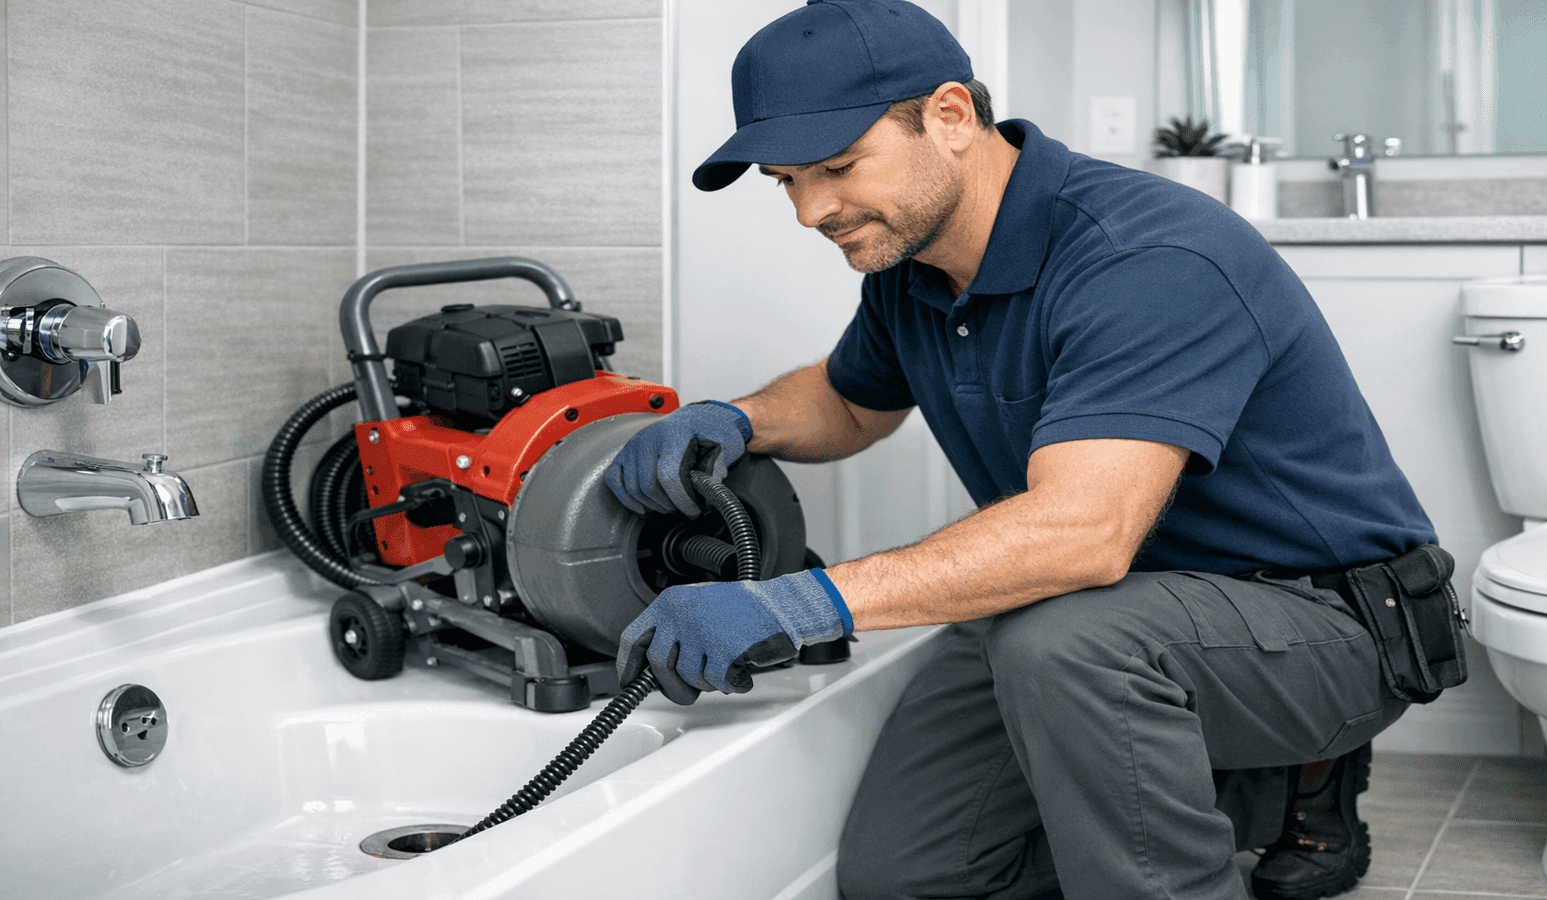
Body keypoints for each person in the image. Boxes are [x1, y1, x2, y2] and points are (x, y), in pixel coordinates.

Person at [605, 2, 1435, 898]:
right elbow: (849, 401)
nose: (812, 211)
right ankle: (1242, 796)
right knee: (908, 879)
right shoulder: (911, 258)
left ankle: (1296, 774)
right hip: (1104, 611)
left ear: (952, 117)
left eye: (838, 168)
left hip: (1317, 621)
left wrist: (801, 604)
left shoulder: (1147, 256)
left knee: (1062, 641)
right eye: (786, 182)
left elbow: (1083, 535)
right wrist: (736, 418)